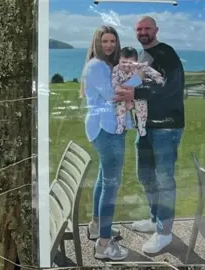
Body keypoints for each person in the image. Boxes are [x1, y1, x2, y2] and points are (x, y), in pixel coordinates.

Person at [114, 16, 185, 254]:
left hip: (167, 126)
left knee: (164, 180)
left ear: (156, 30)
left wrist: (134, 92)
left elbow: (169, 87)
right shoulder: (142, 58)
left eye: (147, 28)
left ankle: (164, 233)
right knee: (145, 175)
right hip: (145, 128)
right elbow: (134, 84)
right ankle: (155, 219)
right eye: (139, 29)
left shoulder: (167, 54)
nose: (143, 32)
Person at [80, 25, 142, 261]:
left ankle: (97, 227)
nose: (109, 46)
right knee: (111, 185)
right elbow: (112, 95)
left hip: (108, 129)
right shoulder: (96, 65)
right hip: (107, 131)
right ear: (97, 42)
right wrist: (140, 77)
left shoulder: (106, 65)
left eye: (112, 41)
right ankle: (104, 245)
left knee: (103, 179)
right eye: (105, 41)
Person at [111, 46, 164, 136]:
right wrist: (116, 87)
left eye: (130, 63)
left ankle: (141, 126)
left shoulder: (139, 66)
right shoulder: (116, 69)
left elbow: (149, 69)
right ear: (119, 60)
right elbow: (114, 79)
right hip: (123, 92)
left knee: (142, 107)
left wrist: (157, 77)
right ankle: (121, 124)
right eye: (123, 62)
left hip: (137, 91)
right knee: (120, 107)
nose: (126, 65)